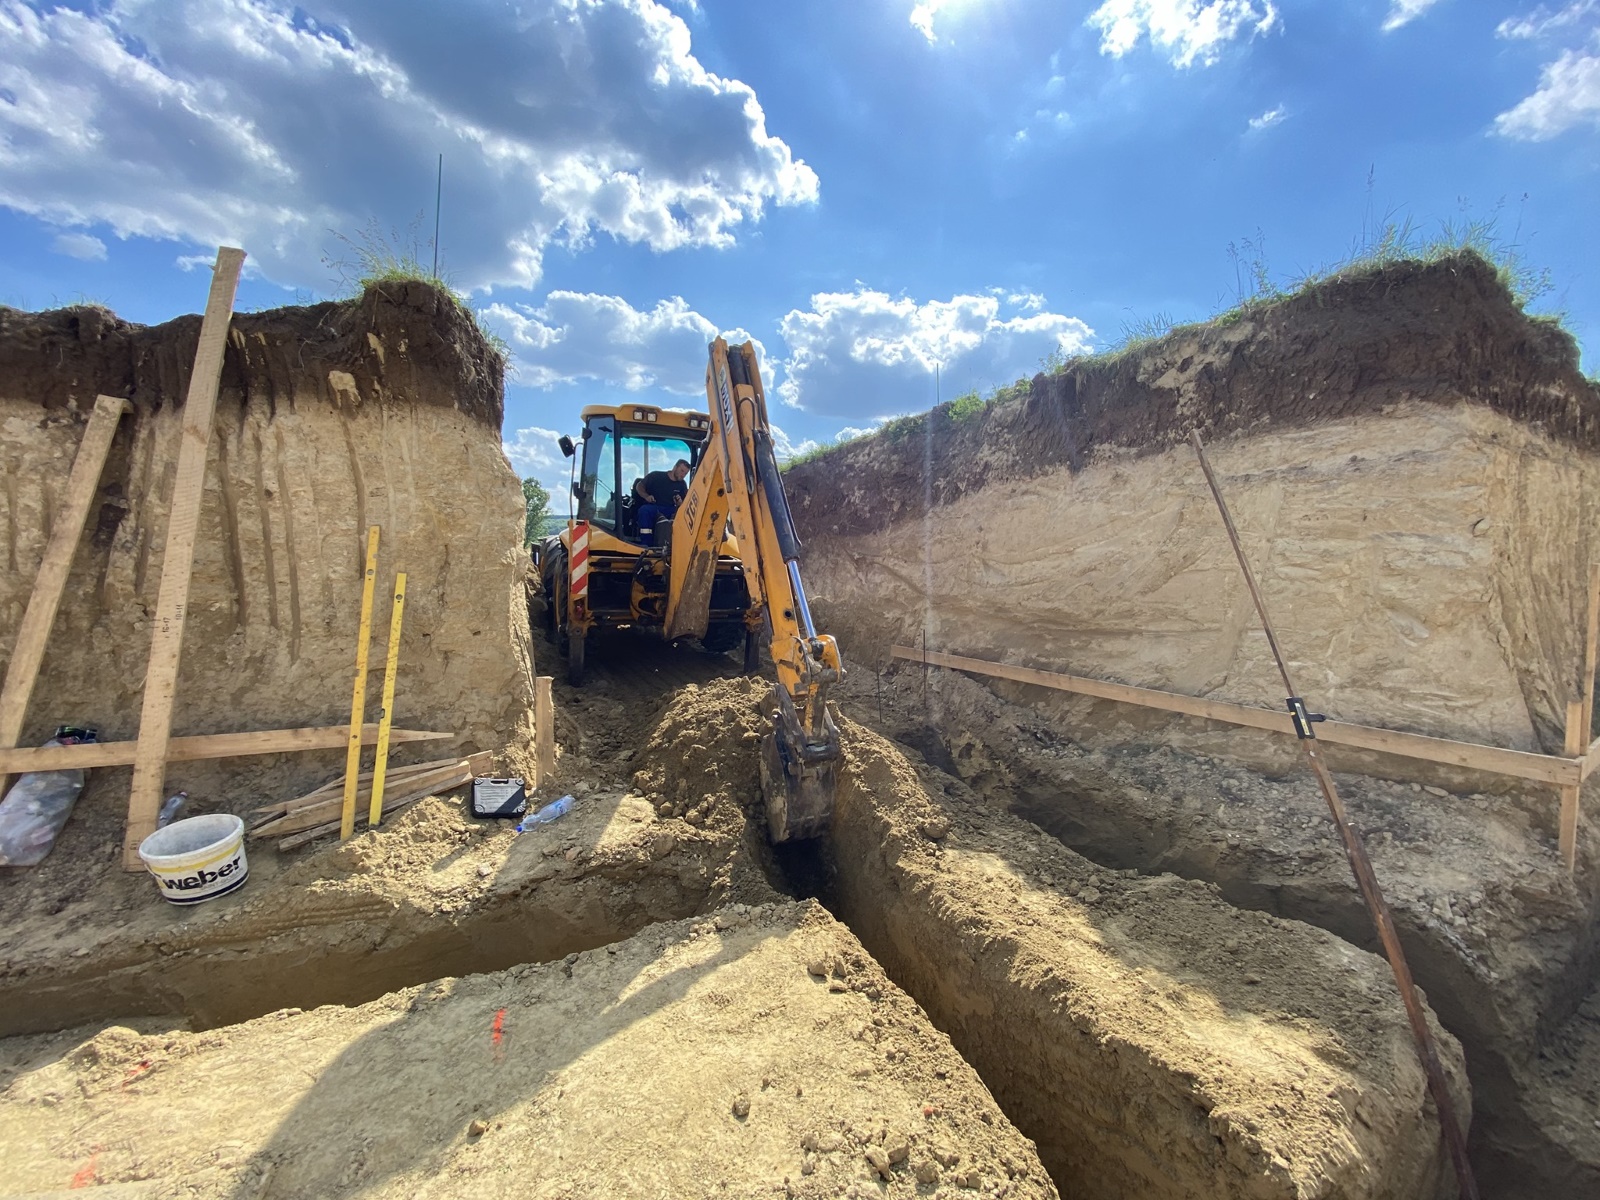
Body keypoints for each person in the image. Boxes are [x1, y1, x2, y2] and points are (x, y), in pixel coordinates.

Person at [636, 459, 690, 545]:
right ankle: (646, 544)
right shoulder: (655, 476)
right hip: (654, 507)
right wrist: (646, 496)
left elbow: (684, 503)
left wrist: (680, 503)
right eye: (682, 471)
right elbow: (639, 486)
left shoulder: (682, 484)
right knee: (644, 510)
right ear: (675, 467)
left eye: (685, 473)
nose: (683, 475)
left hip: (670, 509)